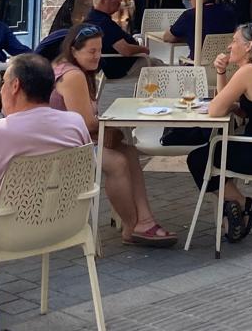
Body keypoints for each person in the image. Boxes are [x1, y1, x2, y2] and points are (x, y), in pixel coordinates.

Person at [0, 54, 91, 315]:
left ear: (15, 86)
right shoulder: (75, 123)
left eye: (3, 82)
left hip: (5, 232)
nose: (1, 89)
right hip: (63, 225)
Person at [51, 24, 176, 247]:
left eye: (99, 50)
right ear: (74, 50)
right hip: (62, 149)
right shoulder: (72, 75)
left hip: (71, 140)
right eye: (92, 51)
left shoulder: (70, 69)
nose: (98, 56)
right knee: (117, 162)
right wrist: (110, 127)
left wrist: (110, 130)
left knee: (128, 151)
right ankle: (131, 225)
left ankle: (144, 221)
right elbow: (86, 122)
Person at [190, 24, 252, 242]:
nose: (230, 45)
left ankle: (245, 204)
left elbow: (216, 110)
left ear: (249, 46)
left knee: (199, 159)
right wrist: (221, 74)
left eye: (235, 41)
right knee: (214, 153)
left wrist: (220, 75)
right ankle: (234, 211)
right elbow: (245, 108)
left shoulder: (248, 71)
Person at [165, 0, 241, 50]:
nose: (190, 1)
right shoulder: (230, 12)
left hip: (198, 64)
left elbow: (169, 37)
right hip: (224, 63)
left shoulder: (190, 15)